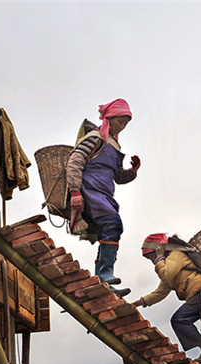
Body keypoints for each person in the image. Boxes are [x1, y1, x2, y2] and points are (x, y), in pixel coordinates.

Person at [65, 98, 140, 297]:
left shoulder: (114, 144)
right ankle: (105, 273)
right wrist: (74, 191)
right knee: (113, 224)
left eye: (125, 123)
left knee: (109, 231)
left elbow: (117, 177)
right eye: (120, 122)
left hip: (106, 194)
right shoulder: (95, 137)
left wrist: (132, 171)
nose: (122, 126)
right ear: (110, 118)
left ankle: (102, 280)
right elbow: (75, 161)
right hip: (90, 190)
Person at [132, 234, 201, 364]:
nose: (152, 261)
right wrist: (136, 304)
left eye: (151, 256)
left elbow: (165, 274)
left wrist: (159, 258)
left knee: (179, 319)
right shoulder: (170, 264)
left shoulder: (176, 255)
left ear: (159, 249)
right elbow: (160, 292)